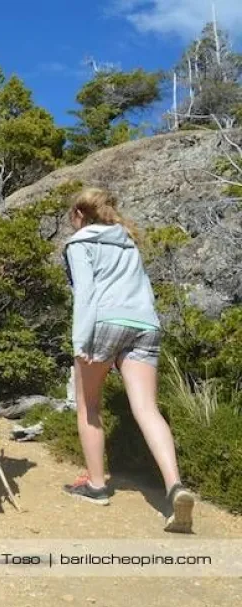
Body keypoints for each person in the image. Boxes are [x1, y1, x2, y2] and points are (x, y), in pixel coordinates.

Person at [62, 188, 195, 533]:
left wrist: (80, 341)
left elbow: (86, 294)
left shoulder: (79, 243)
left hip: (104, 322)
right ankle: (175, 486)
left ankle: (95, 485)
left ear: (79, 213)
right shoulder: (129, 243)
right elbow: (145, 289)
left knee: (88, 405)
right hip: (145, 323)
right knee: (147, 409)